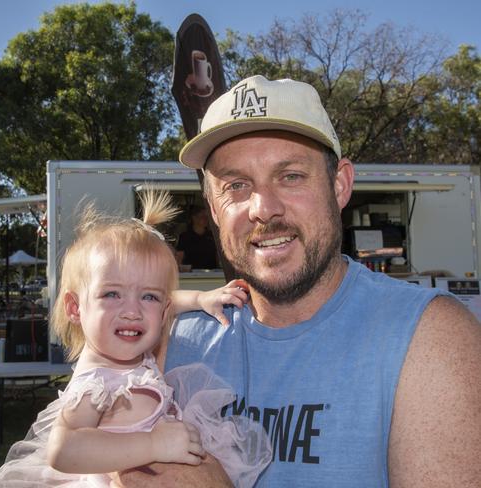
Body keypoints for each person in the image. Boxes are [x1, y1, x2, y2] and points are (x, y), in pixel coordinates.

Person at [117, 75, 481, 487]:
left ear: (340, 185)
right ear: (214, 210)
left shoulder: (428, 338)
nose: (263, 209)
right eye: (236, 185)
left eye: (290, 176)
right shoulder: (168, 341)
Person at [0, 190, 271, 487]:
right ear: (74, 308)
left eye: (148, 295)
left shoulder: (130, 346)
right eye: (112, 294)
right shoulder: (95, 382)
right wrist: (152, 445)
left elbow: (166, 301)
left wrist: (201, 298)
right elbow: (63, 450)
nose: (133, 311)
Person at [175, 205, 218, 270]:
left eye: (207, 217)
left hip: (213, 274)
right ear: (194, 218)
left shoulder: (212, 236)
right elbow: (179, 257)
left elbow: (217, 256)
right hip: (192, 275)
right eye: (203, 217)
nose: (206, 219)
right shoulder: (185, 237)